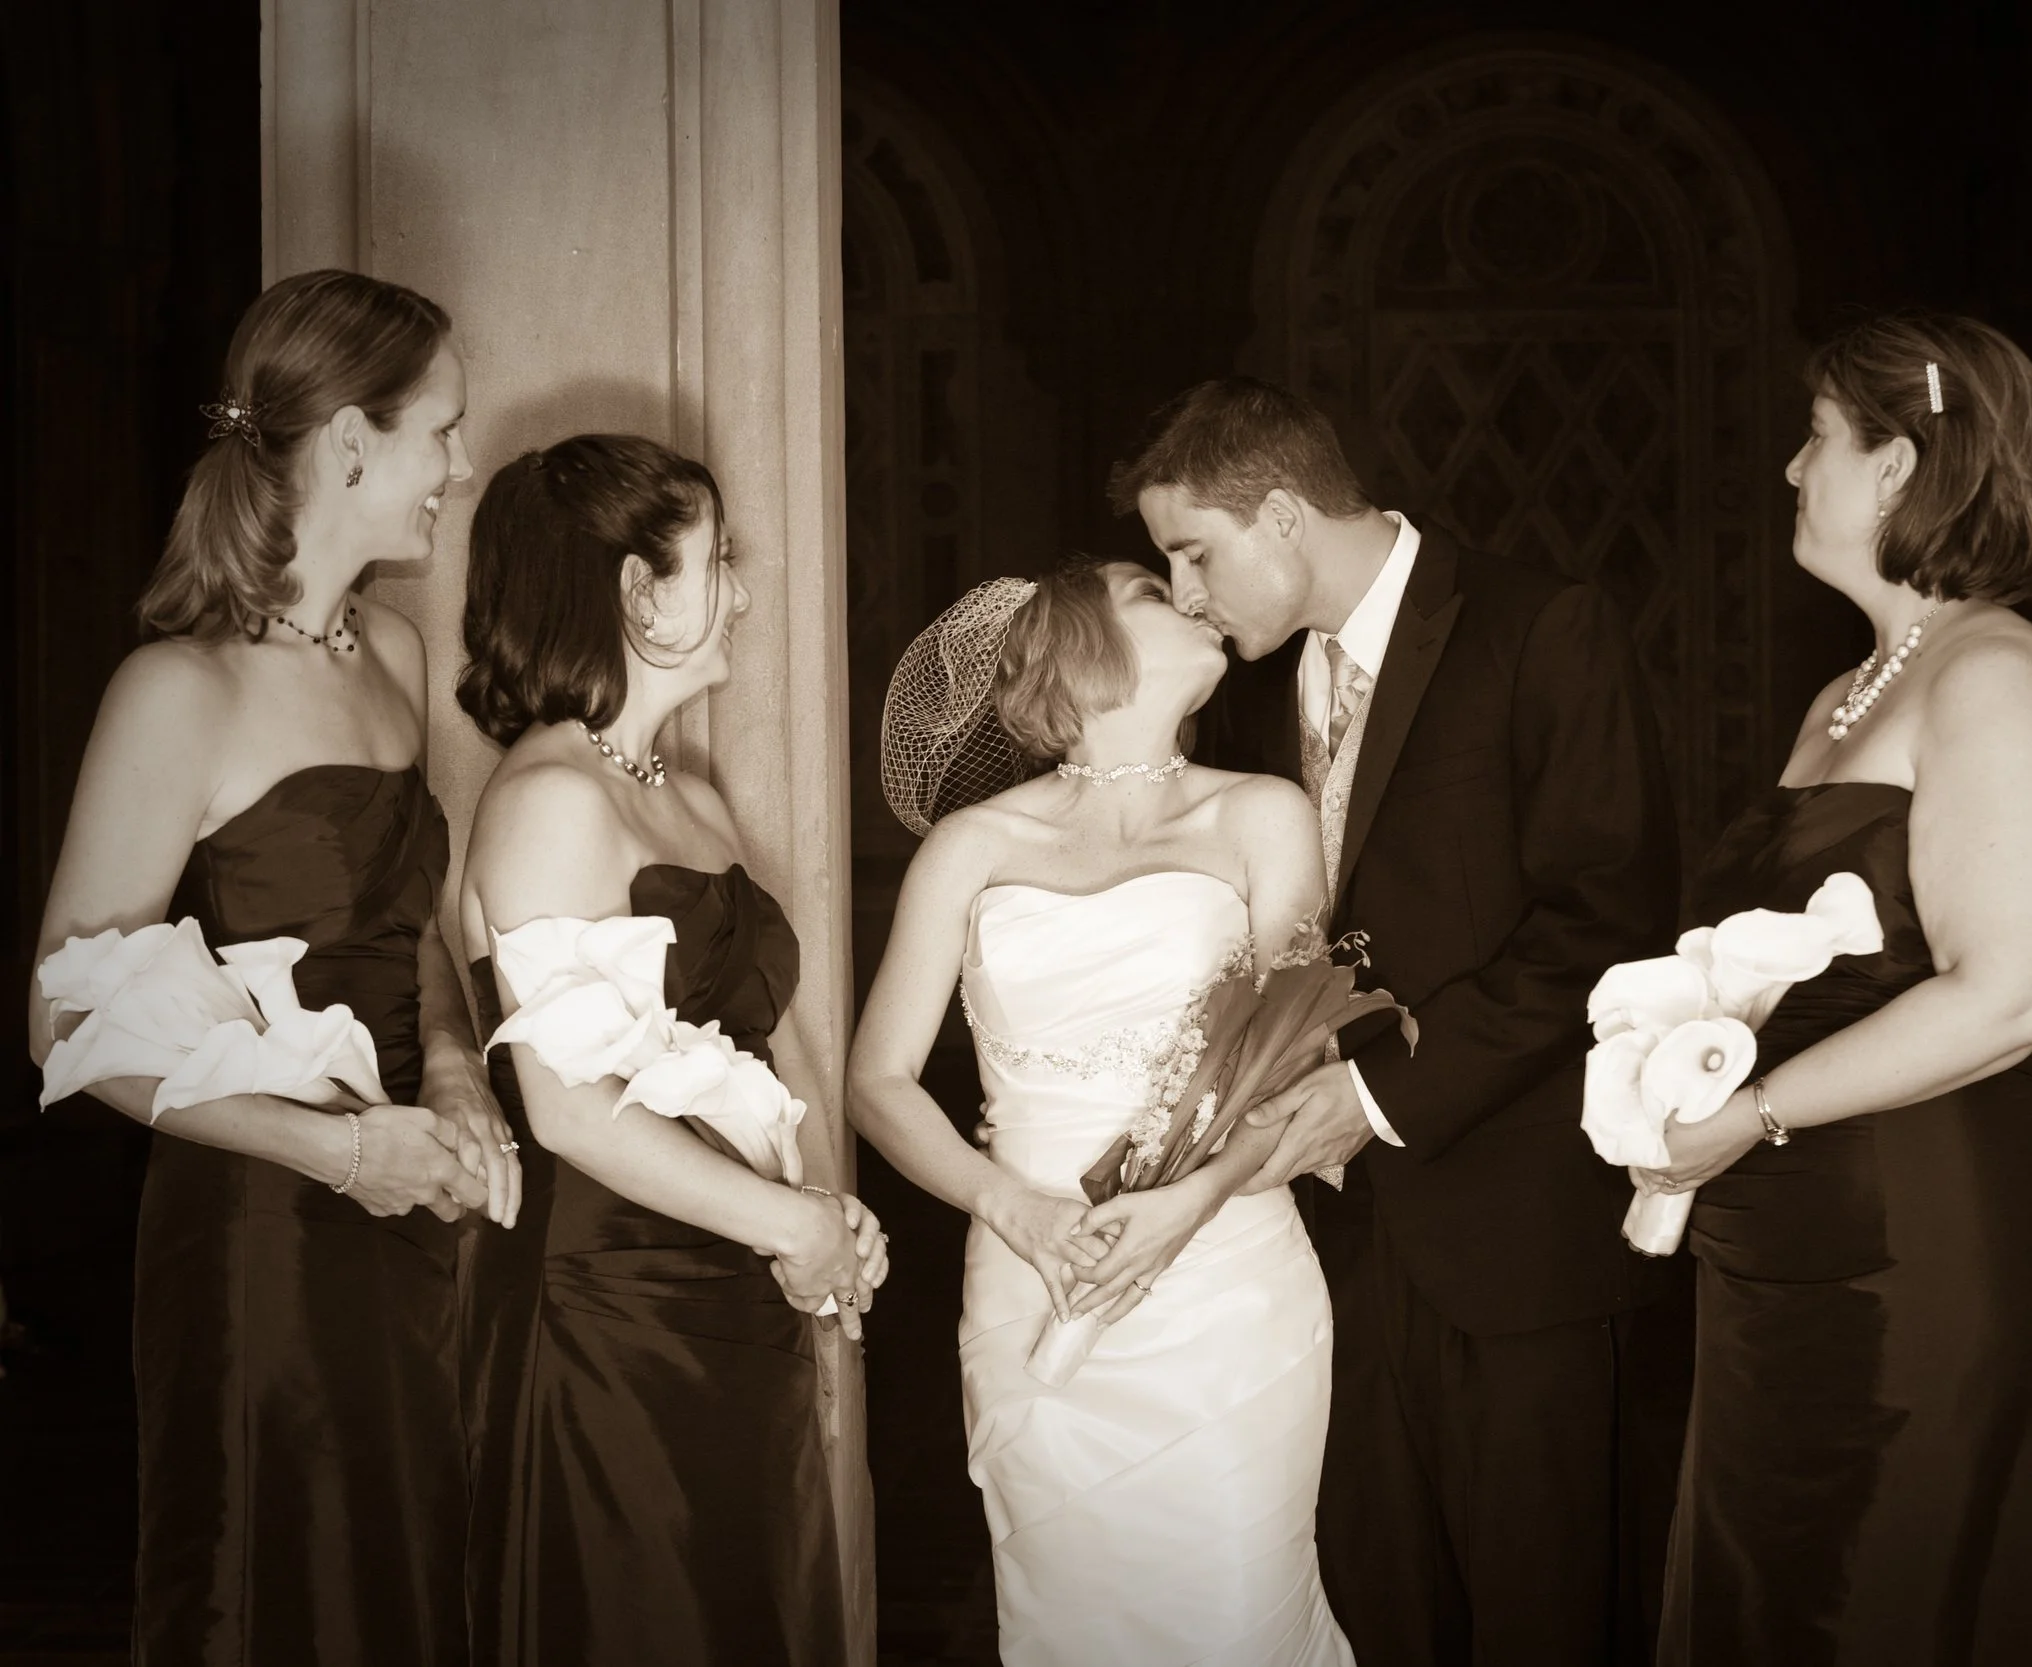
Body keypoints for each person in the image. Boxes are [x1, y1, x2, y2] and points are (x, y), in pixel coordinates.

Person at [1117, 377, 1686, 1666]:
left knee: (1544, 1613)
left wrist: (1372, 1099)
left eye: (1192, 554)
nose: (1186, 595)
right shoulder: (1251, 691)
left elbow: (1600, 923)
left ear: (1278, 515)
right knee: (1375, 1609)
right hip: (1324, 1251)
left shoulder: (1540, 627)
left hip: (1513, 1236)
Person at [1642, 313, 2032, 1664]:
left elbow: (2020, 992)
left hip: (1934, 1231)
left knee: (1911, 1595)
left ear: (1899, 468)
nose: (1791, 471)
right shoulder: (1845, 695)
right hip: (1799, 1242)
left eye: (1815, 437)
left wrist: (1753, 1109)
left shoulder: (1996, 671)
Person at [26, 268, 500, 1666]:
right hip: (262, 1234)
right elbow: (60, 1005)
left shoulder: (400, 653)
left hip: (422, 1203)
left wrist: (463, 1079)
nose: (459, 467)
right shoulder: (180, 687)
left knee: (416, 1581)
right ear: (351, 443)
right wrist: (341, 1154)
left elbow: (420, 922)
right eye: (442, 432)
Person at [848, 557, 1353, 1666]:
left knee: (1237, 1612)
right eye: (1149, 588)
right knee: (1072, 1620)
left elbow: (1290, 1050)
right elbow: (877, 1081)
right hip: (1033, 1278)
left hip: (1222, 1281)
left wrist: (1187, 1203)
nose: (1192, 595)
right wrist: (1016, 1213)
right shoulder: (971, 845)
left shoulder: (1263, 813)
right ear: (1082, 646)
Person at [455, 433, 880, 1666]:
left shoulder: (692, 798)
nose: (742, 590)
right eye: (722, 560)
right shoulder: (547, 799)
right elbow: (570, 1108)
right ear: (639, 593)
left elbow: (767, 1052)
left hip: (733, 1278)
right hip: (608, 1301)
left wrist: (823, 1213)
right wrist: (787, 1225)